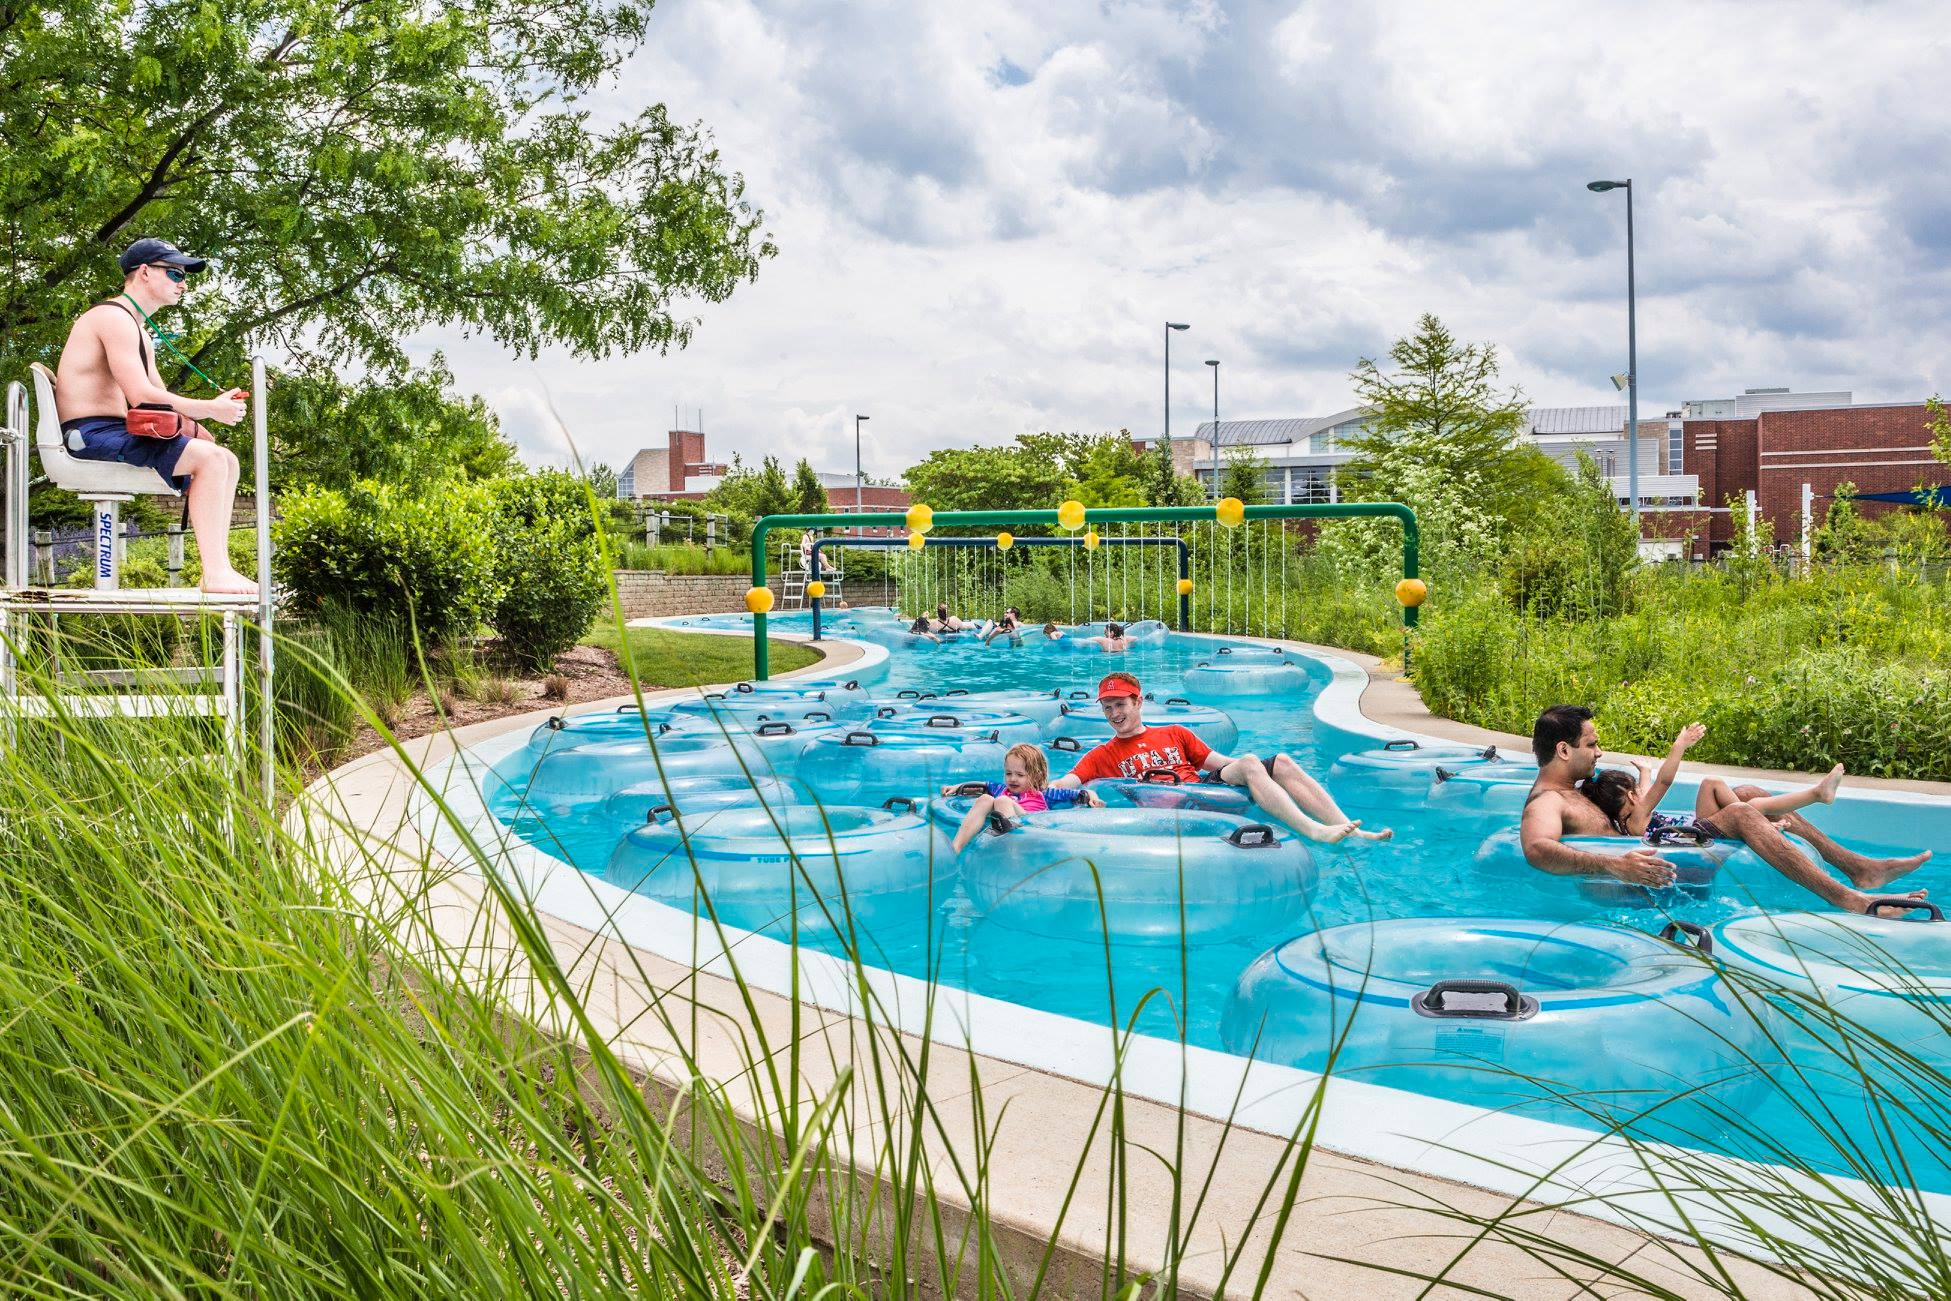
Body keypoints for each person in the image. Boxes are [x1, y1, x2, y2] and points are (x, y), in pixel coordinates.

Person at [1520, 705, 1930, 913]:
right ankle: (1852, 900)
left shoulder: (1578, 789)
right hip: (1643, 884)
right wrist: (1613, 865)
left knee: (1748, 792)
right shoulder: (1548, 801)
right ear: (1563, 750)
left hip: (1661, 864)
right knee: (1740, 813)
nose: (1599, 752)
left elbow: (1637, 804)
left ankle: (1858, 867)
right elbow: (1537, 850)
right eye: (1591, 745)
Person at [52, 238, 257, 596]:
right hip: (88, 434)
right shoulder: (111, 318)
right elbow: (142, 396)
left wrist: (204, 417)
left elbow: (160, 402)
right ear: (144, 272)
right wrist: (211, 408)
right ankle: (215, 573)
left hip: (113, 430)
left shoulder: (137, 328)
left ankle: (219, 568)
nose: (183, 283)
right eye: (175, 273)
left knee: (225, 459)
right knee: (209, 460)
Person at [1049, 672, 1389, 843]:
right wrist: (1045, 787)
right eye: (1108, 708)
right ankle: (1313, 831)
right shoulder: (1102, 754)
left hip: (1206, 790)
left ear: (1138, 702)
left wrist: (1257, 773)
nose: (1114, 714)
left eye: (1121, 705)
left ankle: (1348, 829)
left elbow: (1222, 763)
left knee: (1279, 761)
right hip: (1171, 803)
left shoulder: (1175, 732)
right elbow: (1069, 781)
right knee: (1253, 763)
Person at [1581, 721, 1846, 842]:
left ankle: (1765, 821)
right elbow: (1663, 783)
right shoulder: (1638, 816)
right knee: (1751, 806)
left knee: (1711, 783)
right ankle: (1816, 794)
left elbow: (1648, 788)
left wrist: (1644, 770)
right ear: (1630, 796)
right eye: (1637, 789)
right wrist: (1679, 746)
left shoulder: (1630, 822)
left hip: (1700, 826)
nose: (1642, 791)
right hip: (1701, 834)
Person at [940, 743, 1103, 852]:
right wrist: (957, 787)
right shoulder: (1001, 789)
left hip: (1031, 833)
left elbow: (1080, 794)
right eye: (1008, 773)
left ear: (1036, 775)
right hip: (1007, 830)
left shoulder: (1045, 794)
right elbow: (981, 785)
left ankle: (1013, 854)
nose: (1012, 779)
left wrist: (1093, 797)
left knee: (1002, 801)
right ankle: (956, 848)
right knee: (985, 798)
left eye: (1020, 775)